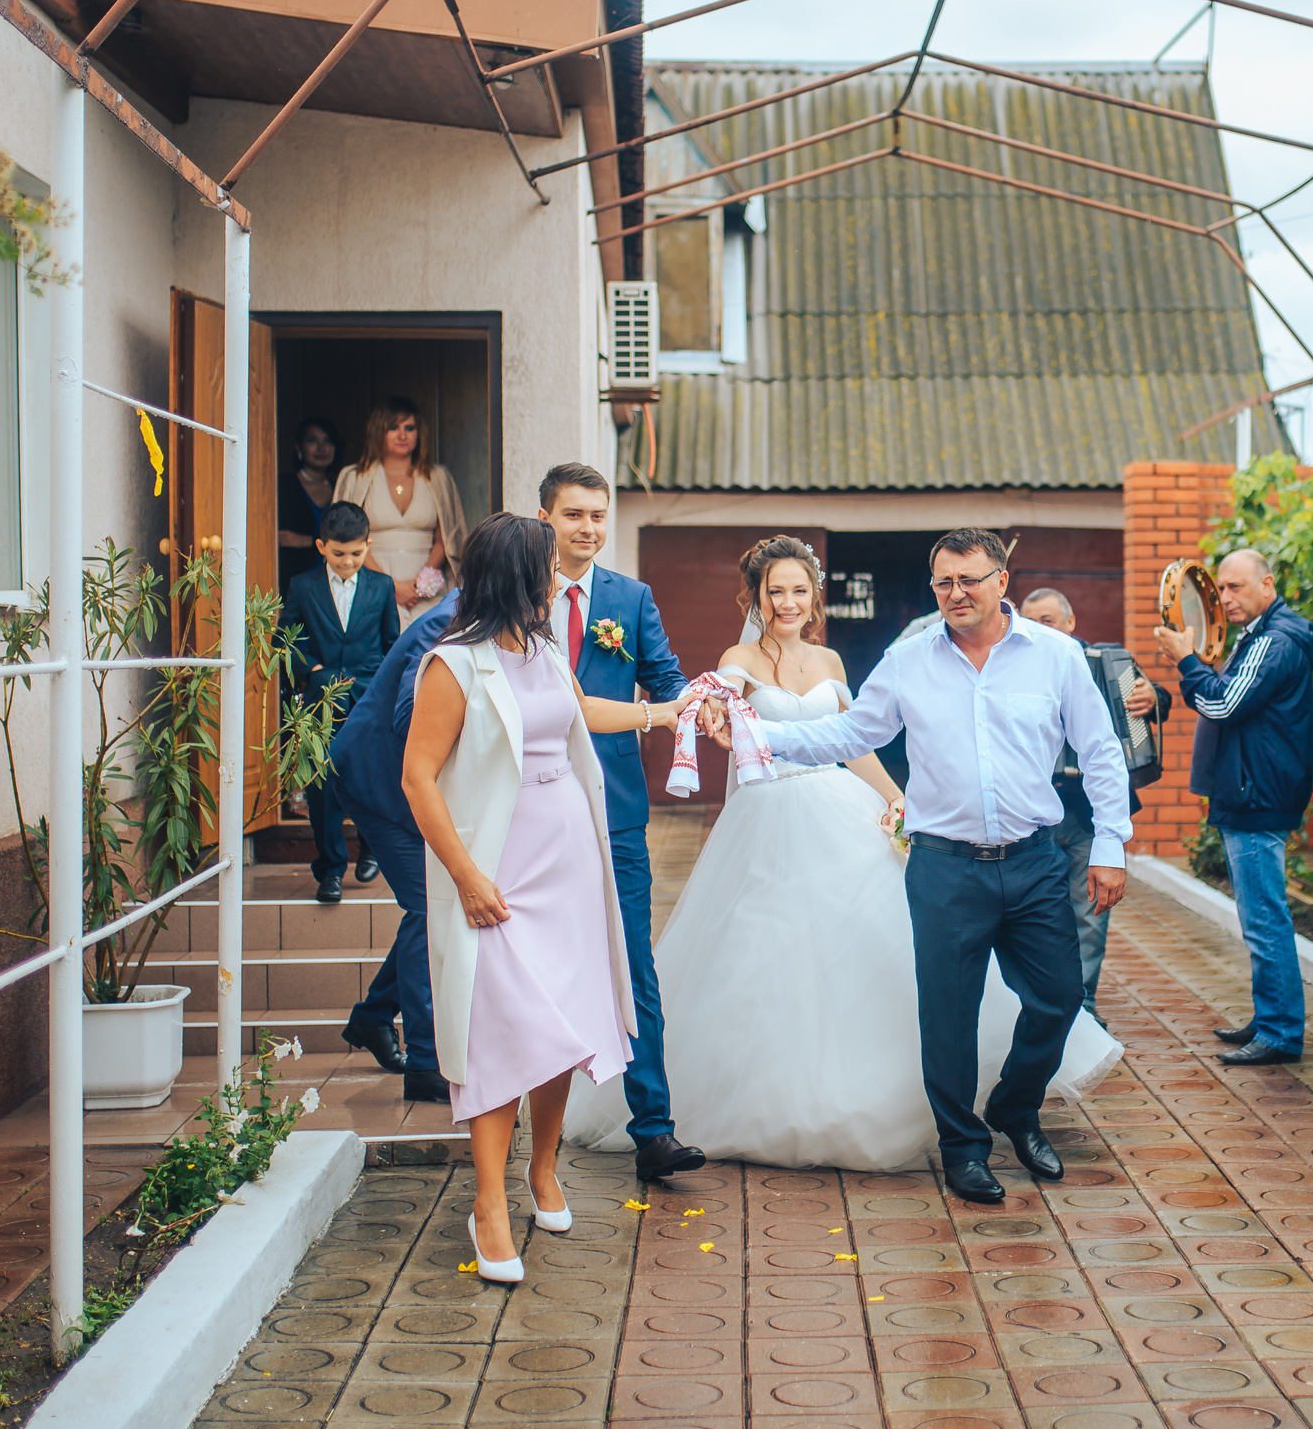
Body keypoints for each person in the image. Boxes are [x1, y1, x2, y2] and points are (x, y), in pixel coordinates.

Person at [572, 541, 1125, 1174]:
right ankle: (959, 1148)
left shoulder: (1051, 656)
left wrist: (898, 798)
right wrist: (741, 725)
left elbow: (1096, 749)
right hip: (864, 838)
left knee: (1057, 994)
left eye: (969, 579)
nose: (955, 592)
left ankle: (1013, 1104)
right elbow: (831, 727)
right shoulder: (895, 659)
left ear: (1002, 581)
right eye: (943, 581)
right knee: (934, 1005)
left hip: (1010, 850)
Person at [400, 513, 689, 1280]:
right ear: (518, 574)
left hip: (568, 864)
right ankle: (488, 1201)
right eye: (548, 565)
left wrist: (664, 711)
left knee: (561, 1021)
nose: (559, 576)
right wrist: (466, 875)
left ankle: (544, 1167)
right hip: (497, 868)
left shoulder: (545, 647)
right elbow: (418, 777)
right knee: (501, 1029)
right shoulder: (452, 665)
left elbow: (580, 712)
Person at [533, 461, 703, 1182]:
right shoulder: (516, 592)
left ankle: (654, 1130)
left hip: (617, 811)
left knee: (634, 964)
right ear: (546, 516)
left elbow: (665, 679)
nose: (589, 528)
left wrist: (698, 705)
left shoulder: (630, 598)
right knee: (536, 966)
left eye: (598, 516)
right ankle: (531, 1135)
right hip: (533, 808)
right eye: (574, 514)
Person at [1152, 548, 1313, 1068]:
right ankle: (1270, 1016)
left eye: (1236, 587)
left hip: (1257, 797)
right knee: (1259, 916)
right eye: (1221, 588)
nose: (1225, 598)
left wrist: (1185, 661)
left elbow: (1222, 704)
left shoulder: (1274, 641)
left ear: (1267, 585)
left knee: (1264, 918)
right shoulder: (1259, 635)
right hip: (1252, 792)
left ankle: (1280, 1031)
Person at [328, 567, 459, 1102]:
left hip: (409, 786)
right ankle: (426, 1061)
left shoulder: (497, 622)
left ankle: (374, 1015)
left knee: (435, 908)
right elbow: (410, 715)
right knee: (430, 909)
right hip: (376, 779)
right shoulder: (446, 624)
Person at [1018, 587, 1166, 1026]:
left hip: (1087, 812)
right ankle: (1039, 1003)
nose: (1039, 629)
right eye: (1030, 622)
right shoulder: (1013, 666)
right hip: (1033, 812)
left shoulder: (1102, 661)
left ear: (1070, 622)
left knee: (1089, 914)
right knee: (1033, 914)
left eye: (1047, 620)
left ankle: (1082, 1008)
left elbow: (1145, 692)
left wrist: (1154, 696)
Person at [280, 499, 400, 903]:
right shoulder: (303, 586)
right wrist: (312, 669)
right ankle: (330, 870)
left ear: (368, 545)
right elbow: (286, 640)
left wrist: (386, 692)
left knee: (368, 778)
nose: (348, 562)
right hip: (321, 699)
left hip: (368, 699)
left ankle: (370, 848)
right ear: (321, 547)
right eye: (339, 554)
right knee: (324, 788)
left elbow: (391, 645)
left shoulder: (382, 587)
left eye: (356, 553)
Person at [336, 395, 468, 625]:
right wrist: (391, 585)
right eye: (393, 428)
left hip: (427, 589)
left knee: (431, 639)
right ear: (379, 431)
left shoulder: (438, 477)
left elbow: (447, 539)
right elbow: (344, 538)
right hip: (372, 581)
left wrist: (420, 584)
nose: (402, 435)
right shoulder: (356, 477)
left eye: (409, 428)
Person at [276, 415, 341, 590]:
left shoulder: (341, 487)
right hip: (293, 580)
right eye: (312, 440)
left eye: (327, 441)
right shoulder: (283, 486)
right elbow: (282, 538)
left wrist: (307, 541)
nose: (321, 448)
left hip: (336, 579)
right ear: (299, 447)